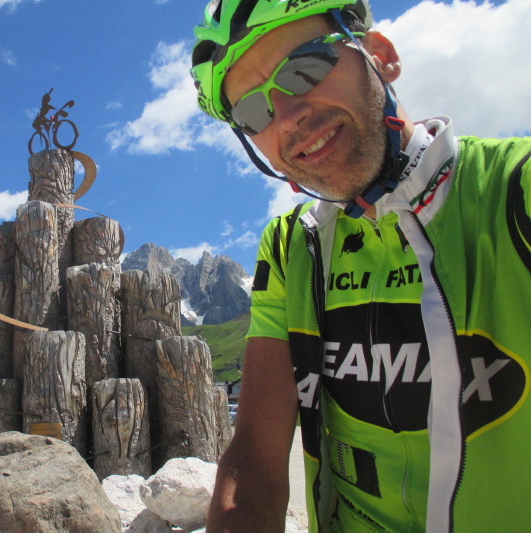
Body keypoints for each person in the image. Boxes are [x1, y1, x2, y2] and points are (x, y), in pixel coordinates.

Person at [189, 1, 531, 531]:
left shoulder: (514, 190)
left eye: (304, 68)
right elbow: (255, 454)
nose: (287, 116)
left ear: (380, 55)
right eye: (253, 113)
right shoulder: (290, 248)